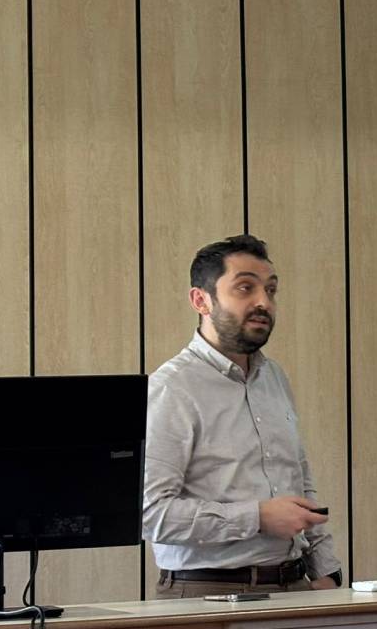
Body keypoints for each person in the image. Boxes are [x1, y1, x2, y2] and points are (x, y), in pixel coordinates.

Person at [144, 235, 343, 598]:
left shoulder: (274, 377)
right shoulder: (172, 388)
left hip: (296, 587)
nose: (263, 302)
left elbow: (300, 483)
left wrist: (327, 571)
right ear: (201, 300)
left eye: (271, 290)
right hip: (205, 593)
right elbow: (150, 513)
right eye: (245, 288)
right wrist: (257, 517)